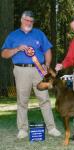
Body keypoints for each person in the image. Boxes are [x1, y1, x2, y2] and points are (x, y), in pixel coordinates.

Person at [1, 11, 61, 139]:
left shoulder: (39, 33)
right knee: (22, 100)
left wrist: (48, 64)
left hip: (39, 71)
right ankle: (22, 129)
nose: (29, 23)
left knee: (44, 99)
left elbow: (47, 50)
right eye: (27, 20)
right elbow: (4, 54)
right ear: (22, 20)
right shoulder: (13, 35)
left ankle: (51, 128)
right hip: (20, 70)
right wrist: (17, 49)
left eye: (31, 21)